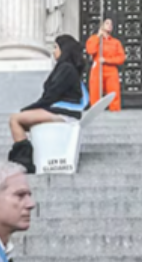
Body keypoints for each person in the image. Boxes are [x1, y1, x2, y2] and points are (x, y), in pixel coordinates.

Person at [7, 34, 88, 174]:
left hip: (63, 114)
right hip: (60, 112)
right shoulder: (67, 68)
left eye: (56, 47)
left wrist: (28, 109)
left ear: (64, 49)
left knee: (15, 119)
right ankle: (26, 158)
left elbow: (50, 97)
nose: (53, 51)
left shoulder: (66, 69)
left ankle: (24, 161)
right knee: (20, 119)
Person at [85, 18, 124, 112]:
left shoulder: (116, 42)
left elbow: (121, 58)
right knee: (95, 93)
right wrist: (98, 36)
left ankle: (114, 113)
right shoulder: (94, 39)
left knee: (113, 93)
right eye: (107, 23)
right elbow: (90, 50)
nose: (109, 25)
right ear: (101, 25)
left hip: (111, 70)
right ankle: (95, 113)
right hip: (97, 69)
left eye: (111, 24)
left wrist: (107, 60)